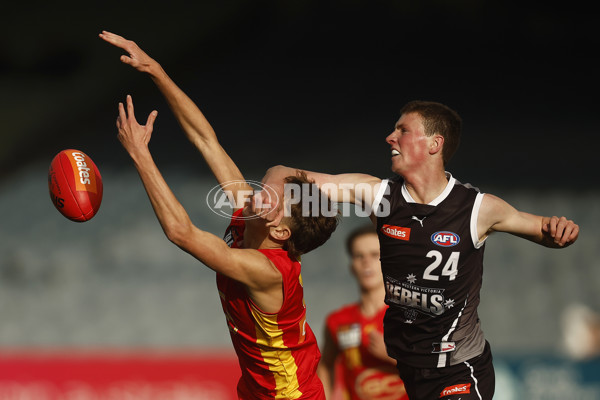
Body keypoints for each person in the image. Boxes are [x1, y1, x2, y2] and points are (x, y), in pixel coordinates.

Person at [264, 100, 580, 400]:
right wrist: (265, 201)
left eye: (403, 130)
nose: (390, 137)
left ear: (434, 144)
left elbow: (544, 229)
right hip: (410, 369)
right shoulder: (379, 196)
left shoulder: (477, 209)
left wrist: (562, 231)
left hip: (460, 369)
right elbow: (283, 173)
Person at [101, 31, 339, 400]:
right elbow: (205, 140)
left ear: (278, 229)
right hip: (258, 391)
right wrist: (156, 71)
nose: (260, 188)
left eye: (273, 191)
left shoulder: (268, 270)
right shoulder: (254, 214)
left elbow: (182, 233)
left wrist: (140, 155)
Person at [317, 224, 408, 400]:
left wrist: (394, 355)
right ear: (352, 265)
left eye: (375, 255)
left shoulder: (411, 316)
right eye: (359, 256)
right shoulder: (338, 321)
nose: (366, 262)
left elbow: (437, 367)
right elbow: (325, 365)